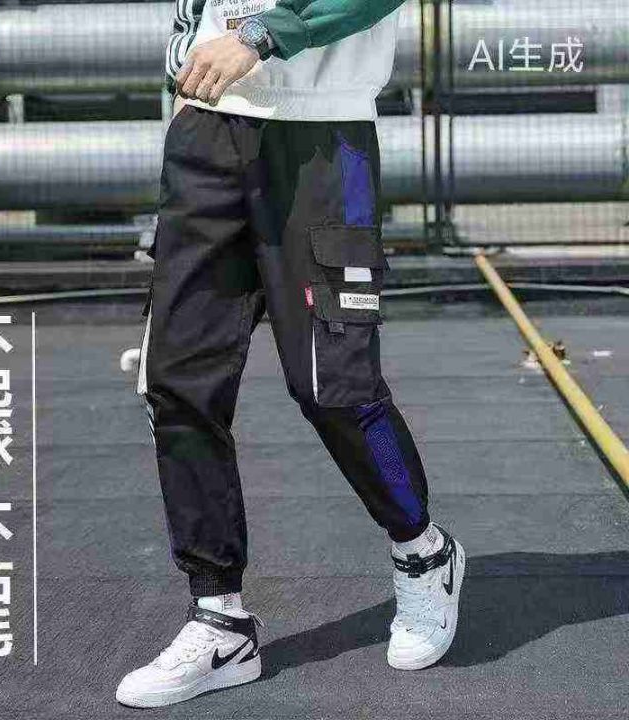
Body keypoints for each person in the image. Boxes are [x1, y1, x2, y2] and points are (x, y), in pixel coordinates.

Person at [116, 0, 465, 708]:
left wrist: (263, 34)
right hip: (205, 131)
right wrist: (186, 76)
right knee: (177, 385)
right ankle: (218, 617)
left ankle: (424, 549)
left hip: (323, 141)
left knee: (337, 387)